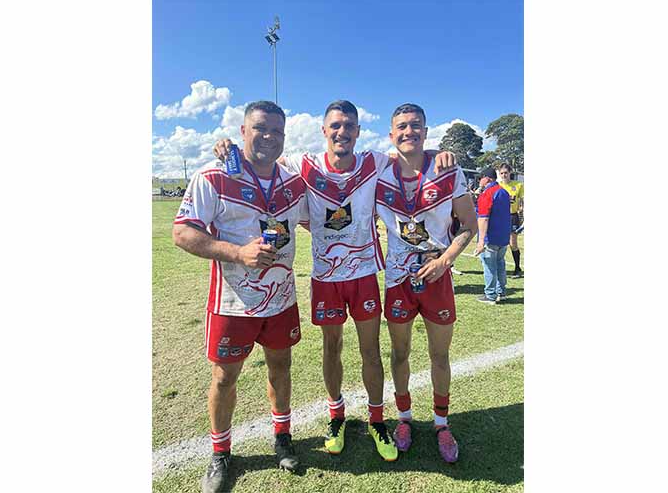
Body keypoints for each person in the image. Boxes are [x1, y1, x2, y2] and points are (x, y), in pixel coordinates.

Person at [213, 100, 456, 462]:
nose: (342, 132)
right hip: (325, 277)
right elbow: (259, 161)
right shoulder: (301, 164)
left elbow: (411, 153)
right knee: (332, 349)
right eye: (335, 126)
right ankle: (336, 416)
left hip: (363, 275)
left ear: (358, 132)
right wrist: (229, 148)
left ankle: (377, 420)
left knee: (371, 351)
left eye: (349, 126)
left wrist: (441, 153)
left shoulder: (374, 163)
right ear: (324, 131)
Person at [173, 101, 308, 493]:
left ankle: (282, 436)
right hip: (233, 303)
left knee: (280, 368)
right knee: (224, 376)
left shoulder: (292, 182)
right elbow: (182, 232)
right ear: (243, 130)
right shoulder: (213, 176)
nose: (269, 137)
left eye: (277, 131)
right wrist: (236, 253)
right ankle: (220, 453)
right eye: (260, 128)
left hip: (281, 299)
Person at [375, 103, 478, 463]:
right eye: (401, 127)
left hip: (437, 278)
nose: (409, 132)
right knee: (400, 353)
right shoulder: (378, 173)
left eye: (415, 126)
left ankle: (441, 423)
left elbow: (469, 226)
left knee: (439, 355)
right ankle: (404, 418)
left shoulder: (449, 170)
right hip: (398, 280)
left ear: (425, 131)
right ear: (391, 135)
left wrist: (445, 261)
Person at [474, 167, 511, 304]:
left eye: (481, 178)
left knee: (489, 266)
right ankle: (502, 292)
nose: (479, 180)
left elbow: (483, 218)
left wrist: (481, 242)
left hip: (490, 236)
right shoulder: (503, 192)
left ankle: (490, 295)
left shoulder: (487, 194)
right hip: (502, 235)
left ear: (487, 178)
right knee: (500, 264)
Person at [498, 163, 524, 278]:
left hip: (512, 216)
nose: (504, 175)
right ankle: (500, 268)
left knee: (513, 243)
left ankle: (517, 268)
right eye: (502, 173)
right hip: (499, 217)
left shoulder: (518, 185)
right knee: (499, 243)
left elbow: (523, 200)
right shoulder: (497, 185)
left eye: (506, 173)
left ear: (510, 173)